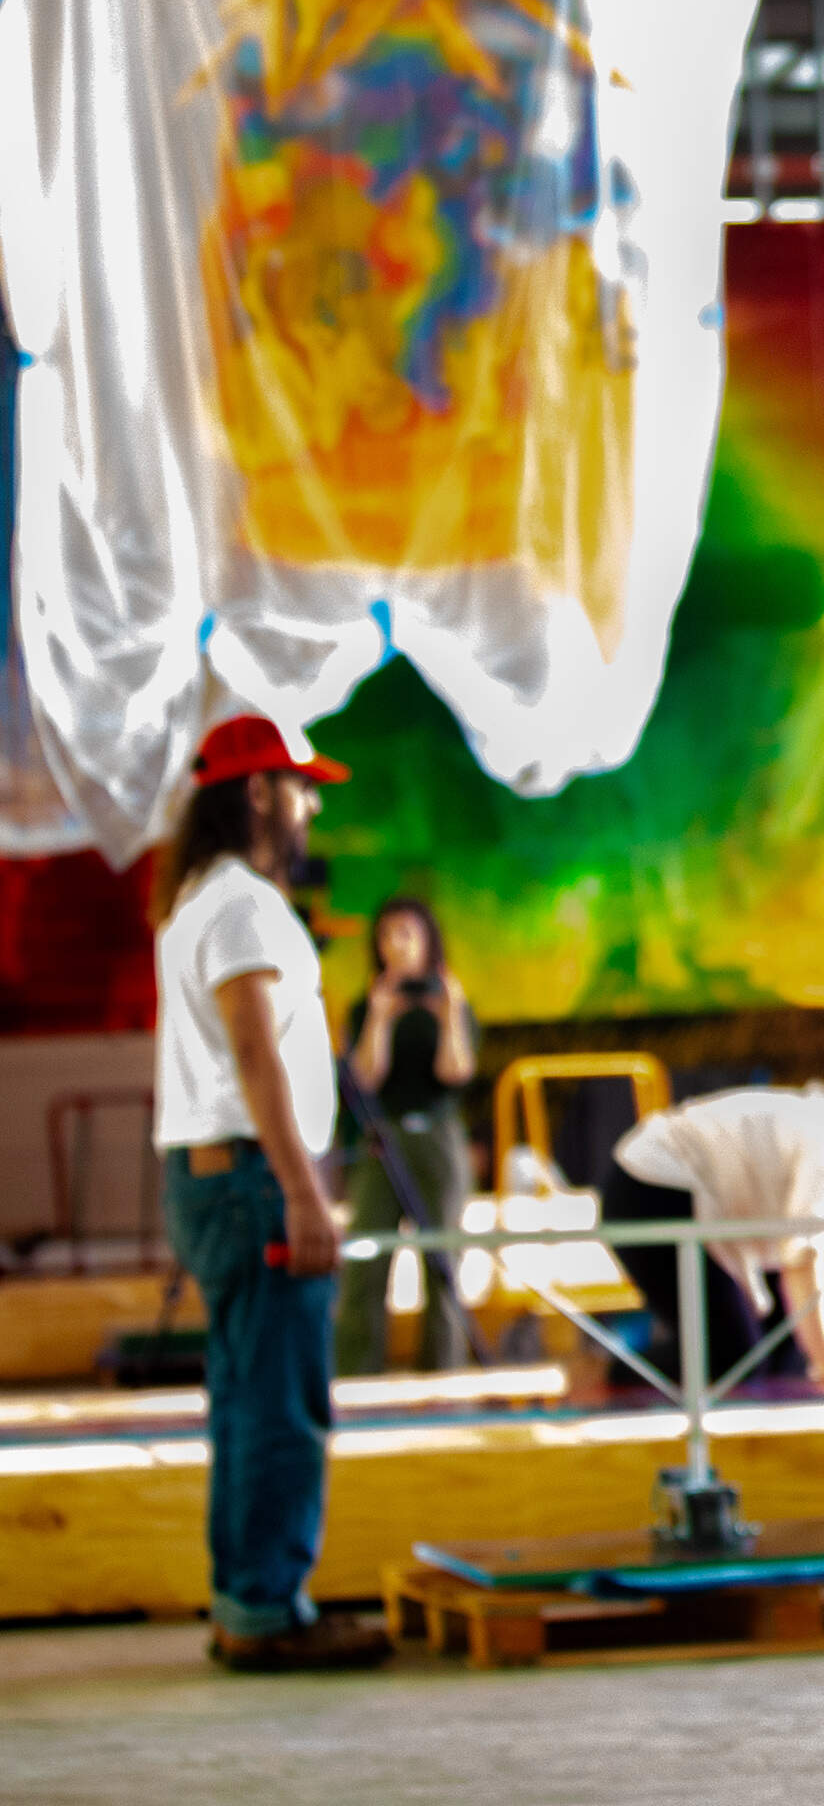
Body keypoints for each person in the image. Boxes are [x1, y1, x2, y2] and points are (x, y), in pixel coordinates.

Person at [151, 714, 390, 1670]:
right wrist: (302, 1189)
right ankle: (266, 1610)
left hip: (216, 1176)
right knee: (281, 1401)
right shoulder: (243, 905)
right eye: (300, 786)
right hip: (252, 1181)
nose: (312, 803)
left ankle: (244, 1603)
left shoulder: (199, 902)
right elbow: (254, 1051)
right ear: (257, 793)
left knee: (247, 1397)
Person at [595, 1042, 824, 1392]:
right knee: (734, 1362)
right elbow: (808, 1256)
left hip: (659, 1186)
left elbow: (801, 1256)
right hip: (653, 1188)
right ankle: (602, 1378)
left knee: (783, 1352)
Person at [331, 896, 477, 1377]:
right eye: (388, 935)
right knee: (366, 1260)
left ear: (428, 941)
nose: (398, 945)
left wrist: (450, 1013)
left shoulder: (452, 1002)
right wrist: (379, 1015)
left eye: (408, 934)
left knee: (443, 1263)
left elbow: (456, 1072)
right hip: (382, 1137)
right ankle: (356, 1376)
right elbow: (365, 1080)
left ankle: (443, 1375)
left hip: (436, 1136)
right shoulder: (366, 1006)